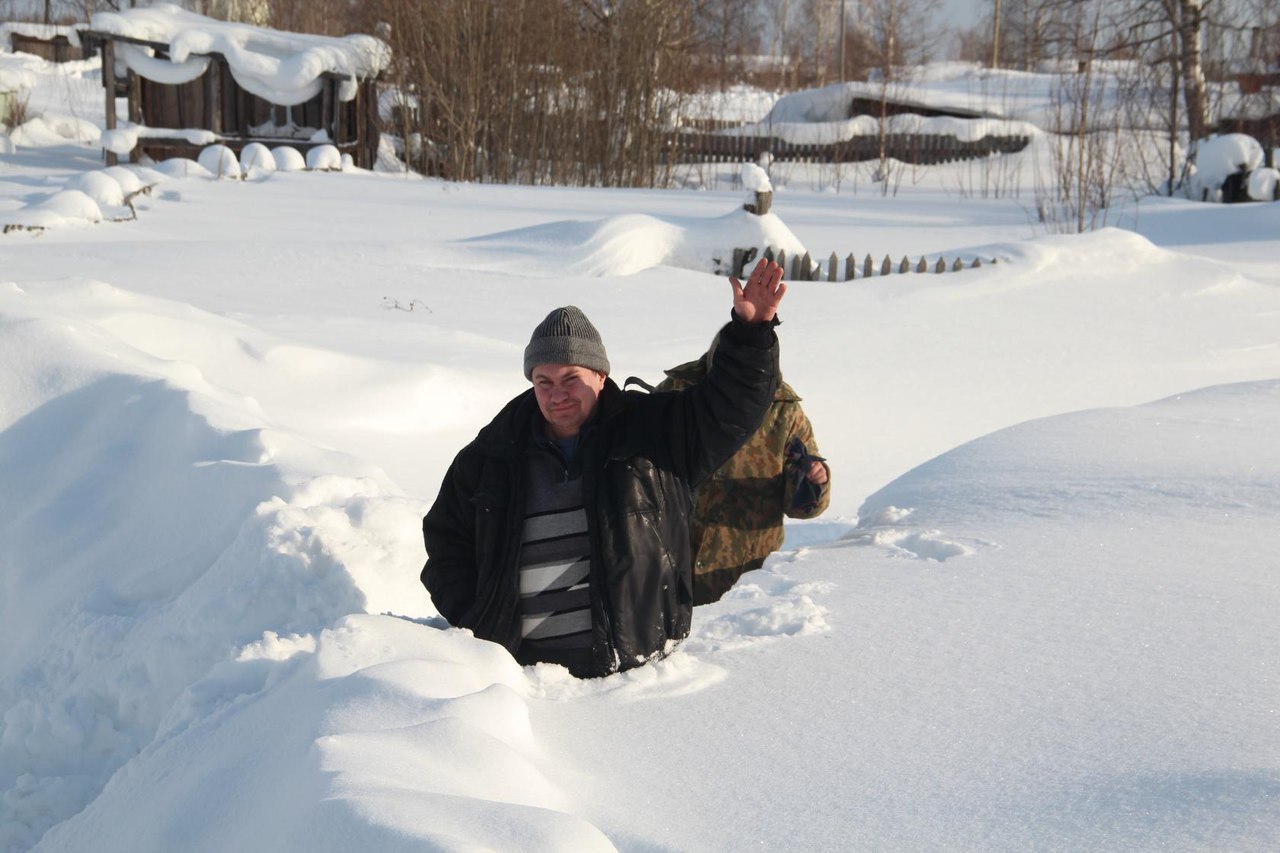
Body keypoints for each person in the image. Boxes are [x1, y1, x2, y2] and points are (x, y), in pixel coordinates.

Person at [421, 259, 788, 678]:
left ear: (600, 375)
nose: (557, 394)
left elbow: (730, 410)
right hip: (520, 679)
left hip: (630, 680)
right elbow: (445, 544)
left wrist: (751, 335)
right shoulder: (489, 457)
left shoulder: (655, 434)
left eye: (571, 378)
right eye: (544, 381)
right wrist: (478, 616)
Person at [654, 343, 830, 605]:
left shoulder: (785, 413)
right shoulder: (678, 390)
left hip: (743, 580)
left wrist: (813, 481)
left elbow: (803, 508)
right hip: (666, 563)